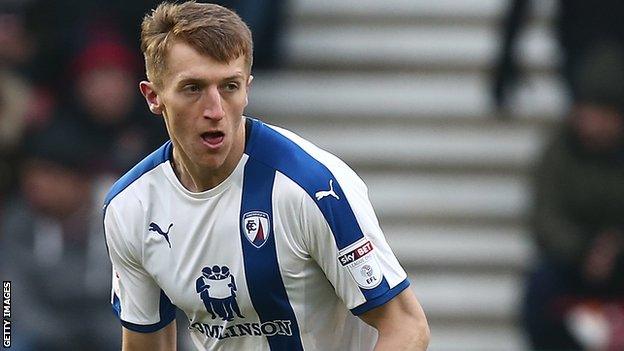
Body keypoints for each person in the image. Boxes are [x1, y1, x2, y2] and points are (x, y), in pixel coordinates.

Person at [103, 2, 430, 350]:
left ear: (247, 88)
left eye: (229, 86)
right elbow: (143, 344)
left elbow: (406, 326)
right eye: (193, 88)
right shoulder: (131, 207)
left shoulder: (312, 187)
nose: (214, 110)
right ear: (154, 97)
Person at [523, 42, 624, 350]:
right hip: (573, 264)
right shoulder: (560, 151)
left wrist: (615, 247)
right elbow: (545, 217)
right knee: (541, 287)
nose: (591, 123)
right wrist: (584, 250)